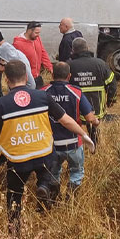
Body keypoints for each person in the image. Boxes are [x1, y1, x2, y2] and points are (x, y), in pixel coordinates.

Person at [0, 60, 95, 238]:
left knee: (14, 195)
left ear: (6, 79)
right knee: (48, 172)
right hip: (43, 153)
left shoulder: (0, 104)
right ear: (27, 76)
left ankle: (15, 230)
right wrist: (83, 135)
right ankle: (44, 187)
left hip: (18, 159)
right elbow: (66, 120)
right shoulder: (42, 97)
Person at [41, 62, 99, 197]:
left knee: (53, 172)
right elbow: (90, 118)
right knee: (77, 172)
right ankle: (71, 200)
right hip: (73, 142)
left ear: (52, 74)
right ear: (69, 76)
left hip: (51, 144)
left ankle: (54, 197)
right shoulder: (76, 92)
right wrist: (96, 122)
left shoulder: (43, 92)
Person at [67, 38, 116, 146]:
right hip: (96, 103)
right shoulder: (100, 63)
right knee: (94, 126)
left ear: (73, 50)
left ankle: (76, 144)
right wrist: (111, 99)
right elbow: (111, 82)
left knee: (75, 125)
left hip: (76, 104)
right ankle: (95, 144)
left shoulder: (69, 65)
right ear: (87, 48)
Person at [13, 21, 52, 89]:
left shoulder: (36, 39)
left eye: (39, 33)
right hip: (26, 80)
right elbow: (16, 63)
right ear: (29, 31)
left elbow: (43, 53)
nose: (38, 35)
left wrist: (50, 68)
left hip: (37, 76)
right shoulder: (18, 44)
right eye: (36, 33)